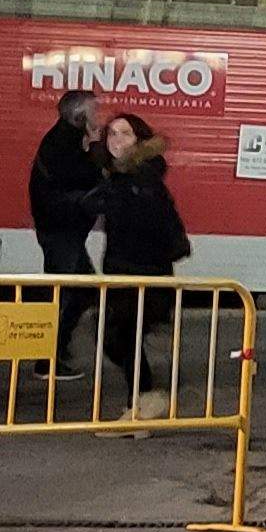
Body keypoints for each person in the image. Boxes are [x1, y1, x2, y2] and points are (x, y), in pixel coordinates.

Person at [86, 112, 193, 420]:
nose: (117, 140)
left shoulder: (140, 179)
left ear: (139, 141)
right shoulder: (119, 176)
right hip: (124, 272)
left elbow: (157, 226)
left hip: (144, 273)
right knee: (118, 338)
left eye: (125, 134)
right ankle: (143, 401)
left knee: (121, 338)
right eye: (112, 135)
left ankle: (143, 404)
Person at [28, 89, 104, 372]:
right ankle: (47, 359)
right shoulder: (63, 144)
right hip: (61, 232)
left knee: (81, 291)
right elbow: (89, 175)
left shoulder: (61, 140)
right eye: (94, 111)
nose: (98, 117)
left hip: (62, 230)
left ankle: (54, 350)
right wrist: (96, 145)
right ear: (79, 116)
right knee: (67, 292)